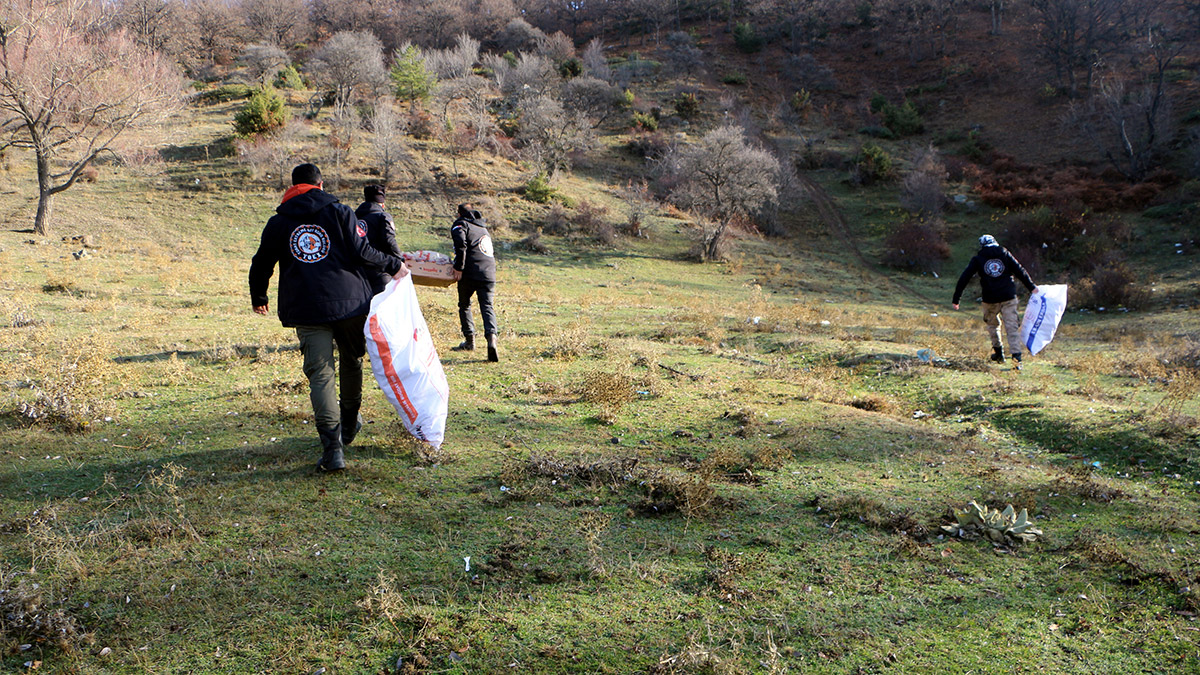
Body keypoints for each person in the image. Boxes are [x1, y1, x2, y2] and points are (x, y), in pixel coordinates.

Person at [249, 164, 408, 471]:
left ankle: (333, 450)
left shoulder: (279, 221)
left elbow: (262, 263)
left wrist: (259, 297)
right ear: (320, 185)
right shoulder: (340, 212)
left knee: (321, 375)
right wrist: (393, 264)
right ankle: (349, 424)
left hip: (307, 306)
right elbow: (363, 251)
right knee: (352, 360)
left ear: (292, 187)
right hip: (350, 303)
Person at [952, 234, 1038, 369]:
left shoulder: (978, 258)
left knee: (993, 326)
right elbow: (1019, 270)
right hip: (1008, 296)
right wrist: (1032, 287)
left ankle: (999, 353)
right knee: (1012, 327)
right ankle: (1017, 360)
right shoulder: (1005, 254)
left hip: (990, 298)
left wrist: (956, 299)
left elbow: (965, 277)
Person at [450, 203, 499, 362]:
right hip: (489, 272)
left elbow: (461, 245)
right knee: (487, 306)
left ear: (459, 214)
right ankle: (492, 340)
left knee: (464, 304)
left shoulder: (460, 224)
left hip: (471, 272)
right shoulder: (483, 228)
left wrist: (459, 267)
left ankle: (470, 341)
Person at [355, 184, 402, 295]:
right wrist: (400, 260)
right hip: (380, 271)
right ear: (382, 204)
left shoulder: (352, 217)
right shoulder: (383, 216)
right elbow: (389, 241)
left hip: (357, 273)